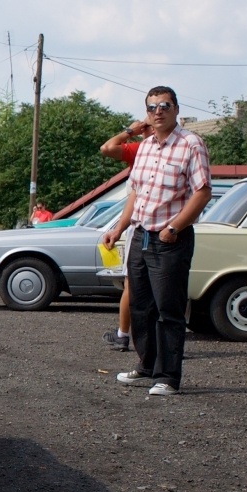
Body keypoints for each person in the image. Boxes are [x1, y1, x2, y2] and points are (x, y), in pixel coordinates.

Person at [100, 86, 212, 396]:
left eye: (164, 105)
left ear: (176, 109)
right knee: (139, 306)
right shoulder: (145, 147)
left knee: (168, 309)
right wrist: (119, 227)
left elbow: (202, 192)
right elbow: (135, 193)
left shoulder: (191, 144)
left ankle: (168, 377)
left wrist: (175, 227)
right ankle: (147, 365)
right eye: (152, 107)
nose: (158, 111)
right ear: (146, 113)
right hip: (141, 235)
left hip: (170, 239)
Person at [98, 132, 144, 351]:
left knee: (133, 285)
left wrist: (131, 130)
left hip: (146, 228)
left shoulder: (141, 149)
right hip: (141, 227)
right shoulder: (150, 150)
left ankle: (124, 334)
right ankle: (168, 341)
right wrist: (117, 230)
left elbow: (107, 148)